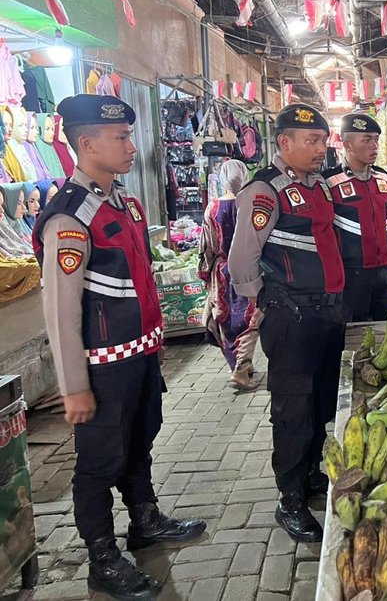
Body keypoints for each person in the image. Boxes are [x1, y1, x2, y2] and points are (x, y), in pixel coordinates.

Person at [32, 94, 205, 600]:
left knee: (139, 443)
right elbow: (60, 313)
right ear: (87, 143)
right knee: (98, 464)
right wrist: (73, 387)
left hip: (140, 355)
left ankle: (145, 520)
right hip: (102, 368)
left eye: (129, 135)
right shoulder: (70, 218)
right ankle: (102, 558)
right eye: (121, 138)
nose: (132, 146)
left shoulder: (122, 203)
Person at [229, 103, 345, 542]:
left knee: (318, 404)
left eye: (323, 140)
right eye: (312, 141)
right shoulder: (265, 190)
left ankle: (312, 472)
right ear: (284, 142)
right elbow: (242, 257)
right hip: (292, 317)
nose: (321, 148)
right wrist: (265, 300)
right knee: (293, 410)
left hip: (326, 314)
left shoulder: (317, 186)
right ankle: (289, 498)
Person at [323, 113, 387, 322]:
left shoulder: (382, 177)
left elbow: (386, 223)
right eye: (366, 140)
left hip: (385, 272)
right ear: (347, 145)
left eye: (376, 139)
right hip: (350, 275)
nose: (374, 146)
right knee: (353, 334)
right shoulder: (329, 182)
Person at [198, 159, 261, 391]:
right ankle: (242, 369)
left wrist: (205, 272)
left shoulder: (212, 208)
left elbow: (209, 245)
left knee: (225, 319)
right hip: (249, 270)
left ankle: (238, 366)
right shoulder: (252, 203)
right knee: (250, 319)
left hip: (222, 271)